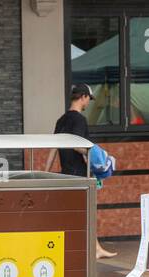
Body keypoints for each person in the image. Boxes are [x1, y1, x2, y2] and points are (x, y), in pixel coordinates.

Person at [53, 83, 115, 258]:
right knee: (86, 212)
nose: (88, 103)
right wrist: (94, 154)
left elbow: (53, 147)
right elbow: (77, 146)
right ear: (83, 97)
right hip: (79, 174)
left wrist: (45, 171)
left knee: (76, 212)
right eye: (88, 99)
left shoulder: (61, 120)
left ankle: (95, 248)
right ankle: (93, 249)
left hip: (65, 173)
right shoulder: (79, 120)